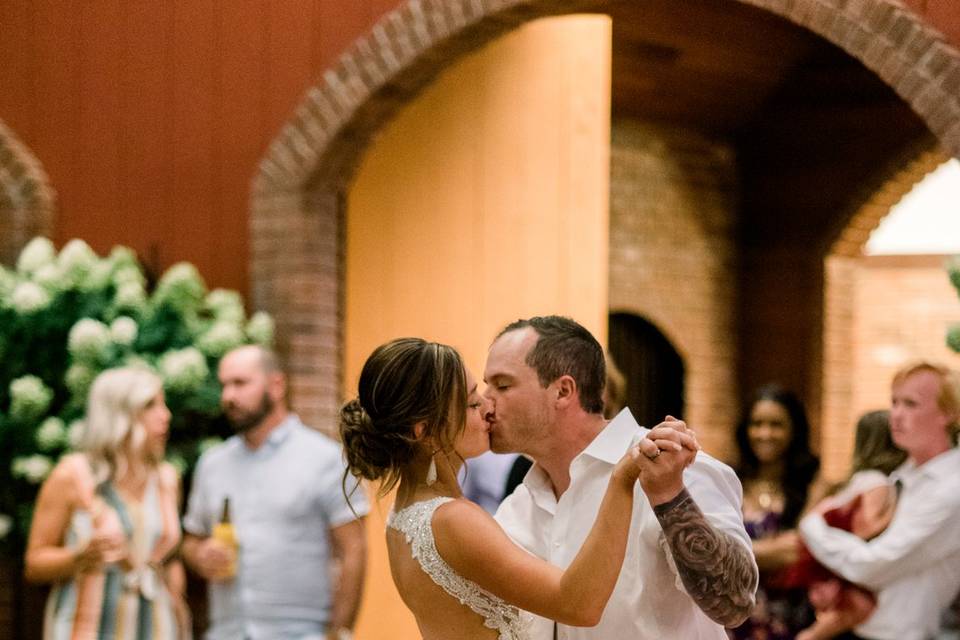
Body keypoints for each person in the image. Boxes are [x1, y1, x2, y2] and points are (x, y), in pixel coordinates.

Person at [339, 337, 694, 640]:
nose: (488, 409)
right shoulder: (450, 520)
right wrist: (622, 478)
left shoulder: (403, 516)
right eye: (472, 402)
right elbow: (579, 604)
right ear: (423, 431)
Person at [486, 315, 758, 639]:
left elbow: (735, 604)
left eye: (502, 386)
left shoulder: (675, 468)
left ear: (563, 391)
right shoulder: (517, 508)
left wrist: (671, 499)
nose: (485, 403)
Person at [181, 345, 368, 640]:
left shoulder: (326, 458)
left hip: (301, 632)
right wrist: (199, 554)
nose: (228, 396)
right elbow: (191, 539)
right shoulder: (212, 464)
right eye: (224, 385)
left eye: (240, 383)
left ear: (277, 386)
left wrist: (339, 632)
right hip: (226, 632)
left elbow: (353, 550)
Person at [799, 361, 960, 640]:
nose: (895, 415)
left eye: (911, 404)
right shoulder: (902, 476)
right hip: (857, 629)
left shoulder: (951, 488)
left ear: (948, 413)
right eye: (894, 403)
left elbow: (871, 565)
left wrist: (812, 526)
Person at [24, 366, 188, 639]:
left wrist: (178, 608)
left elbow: (169, 560)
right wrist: (79, 557)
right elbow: (34, 563)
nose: (166, 415)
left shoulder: (167, 479)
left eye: (164, 404)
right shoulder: (72, 474)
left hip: (156, 627)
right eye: (151, 405)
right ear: (119, 413)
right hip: (87, 628)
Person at [790, 410, 905, 640]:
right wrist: (895, 519)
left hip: (825, 559)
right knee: (855, 611)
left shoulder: (862, 478)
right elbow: (866, 526)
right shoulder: (878, 482)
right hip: (839, 565)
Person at [728, 383, 829, 640]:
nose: (764, 434)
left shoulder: (813, 483)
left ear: (794, 430)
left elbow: (800, 548)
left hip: (792, 623)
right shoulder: (730, 479)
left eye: (776, 425)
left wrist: (731, 553)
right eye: (757, 424)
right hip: (732, 622)